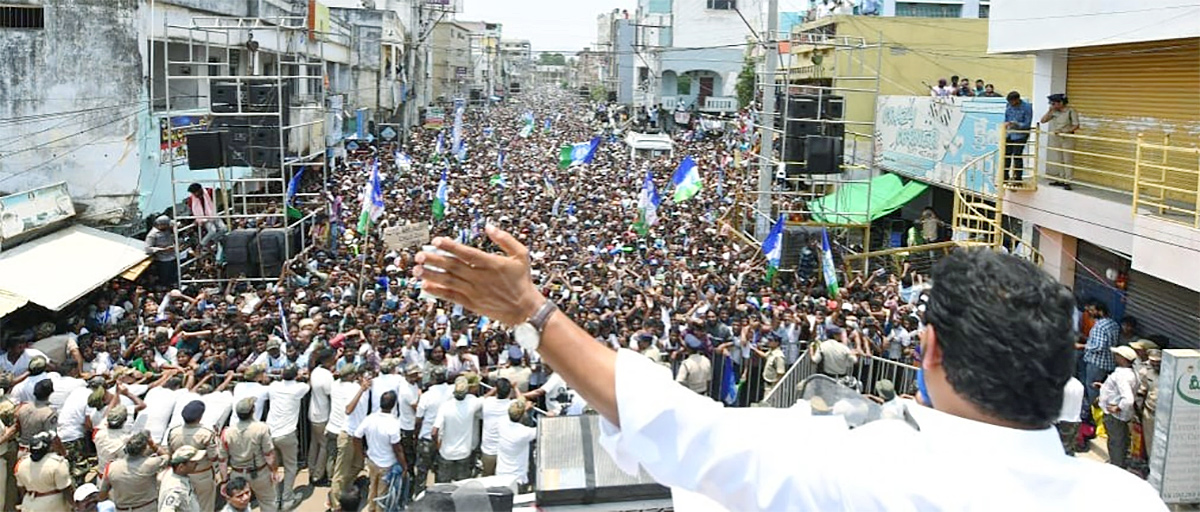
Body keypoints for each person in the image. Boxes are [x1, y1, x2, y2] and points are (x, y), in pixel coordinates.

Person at [413, 228, 1165, 510]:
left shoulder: (860, 472)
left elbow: (682, 428)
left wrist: (533, 312)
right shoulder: (1128, 503)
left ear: (928, 351)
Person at [220, 397, 277, 512]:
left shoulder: (227, 432)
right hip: (260, 472)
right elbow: (269, 455)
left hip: (237, 473)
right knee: (268, 502)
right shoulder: (261, 428)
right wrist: (273, 471)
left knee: (239, 505)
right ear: (252, 411)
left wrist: (224, 480)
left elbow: (222, 460)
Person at [355, 390, 407, 512]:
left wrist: (361, 453)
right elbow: (397, 449)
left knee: (372, 489)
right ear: (394, 405)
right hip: (386, 465)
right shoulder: (393, 423)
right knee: (382, 495)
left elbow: (356, 436)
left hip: (372, 461)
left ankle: (371, 508)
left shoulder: (370, 418)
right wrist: (404, 466)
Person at [265, 364, 309, 509]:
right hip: (287, 434)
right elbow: (307, 385)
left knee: (273, 467)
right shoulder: (299, 388)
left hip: (270, 433)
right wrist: (303, 377)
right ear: (296, 376)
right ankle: (287, 499)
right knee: (291, 467)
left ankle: (275, 499)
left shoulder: (273, 386)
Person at [166, 400, 220, 512]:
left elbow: (170, 454)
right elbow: (213, 456)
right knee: (205, 507)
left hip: (180, 475)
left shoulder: (173, 432)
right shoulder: (207, 433)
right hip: (202, 475)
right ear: (200, 417)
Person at [99, 432, 168, 512]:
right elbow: (167, 457)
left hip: (122, 509)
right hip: (147, 508)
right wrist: (153, 445)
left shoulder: (111, 467)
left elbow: (102, 496)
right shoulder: (150, 464)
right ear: (144, 449)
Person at [432, 376, 482, 483]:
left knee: (443, 485)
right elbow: (484, 399)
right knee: (462, 485)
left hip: (446, 453)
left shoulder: (445, 406)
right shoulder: (472, 404)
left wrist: (438, 445)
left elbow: (434, 431)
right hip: (464, 453)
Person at [1099, 346, 1138, 469]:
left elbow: (1128, 399)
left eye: (1117, 355)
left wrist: (1117, 408)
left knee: (1116, 442)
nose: (1115, 356)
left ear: (1123, 358)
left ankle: (1116, 467)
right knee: (1121, 441)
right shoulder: (1132, 373)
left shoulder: (1121, 375)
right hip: (1123, 416)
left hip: (1115, 416)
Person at [14, 431, 72, 511]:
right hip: (53, 505)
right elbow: (66, 488)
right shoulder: (57, 463)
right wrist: (74, 505)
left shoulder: (21, 464)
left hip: (29, 503)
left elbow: (21, 489)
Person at [306, 348, 336, 488]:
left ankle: (311, 470)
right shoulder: (326, 375)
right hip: (323, 415)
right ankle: (318, 476)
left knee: (314, 444)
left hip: (313, 413)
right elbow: (331, 394)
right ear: (327, 360)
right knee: (324, 446)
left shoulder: (315, 371)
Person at [1041, 93, 1080, 188]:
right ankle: (1061, 178)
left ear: (1061, 103)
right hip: (1057, 138)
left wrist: (1064, 131)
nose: (1052, 105)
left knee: (1068, 160)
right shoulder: (1054, 112)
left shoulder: (1071, 111)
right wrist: (1049, 111)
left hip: (1067, 138)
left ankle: (1068, 181)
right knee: (1059, 159)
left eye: (1054, 103)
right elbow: (1043, 120)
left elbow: (1076, 125)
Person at [495, 399, 536, 489]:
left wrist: (523, 409)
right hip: (517, 479)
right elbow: (542, 429)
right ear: (523, 416)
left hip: (501, 475)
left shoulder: (501, 423)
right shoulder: (524, 432)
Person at [480, 378, 515, 476]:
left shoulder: (487, 402)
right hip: (504, 451)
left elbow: (484, 397)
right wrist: (515, 388)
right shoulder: (511, 405)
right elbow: (522, 401)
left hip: (488, 450)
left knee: (487, 477)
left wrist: (494, 389)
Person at [159, 445, 206, 512]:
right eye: (192, 462)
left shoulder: (174, 474)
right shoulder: (176, 489)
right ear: (181, 467)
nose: (196, 464)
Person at [1003, 91, 1033, 182]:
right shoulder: (1008, 106)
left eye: (1012, 102)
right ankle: (1005, 176)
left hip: (1021, 134)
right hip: (1010, 134)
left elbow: (1027, 124)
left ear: (1017, 100)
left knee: (1017, 155)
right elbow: (1006, 117)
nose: (1011, 104)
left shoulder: (1027, 107)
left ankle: (1018, 178)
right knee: (1006, 155)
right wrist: (1006, 124)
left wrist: (1016, 124)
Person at [144, 215, 178, 288]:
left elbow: (176, 225)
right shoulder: (152, 235)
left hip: (173, 256)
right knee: (165, 278)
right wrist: (164, 249)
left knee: (174, 275)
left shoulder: (167, 230)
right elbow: (148, 248)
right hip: (163, 260)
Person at [1056, 375, 1085, 455]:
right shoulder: (1078, 385)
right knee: (1069, 447)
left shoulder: (1059, 385)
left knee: (1059, 449)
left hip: (1061, 420)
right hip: (1075, 419)